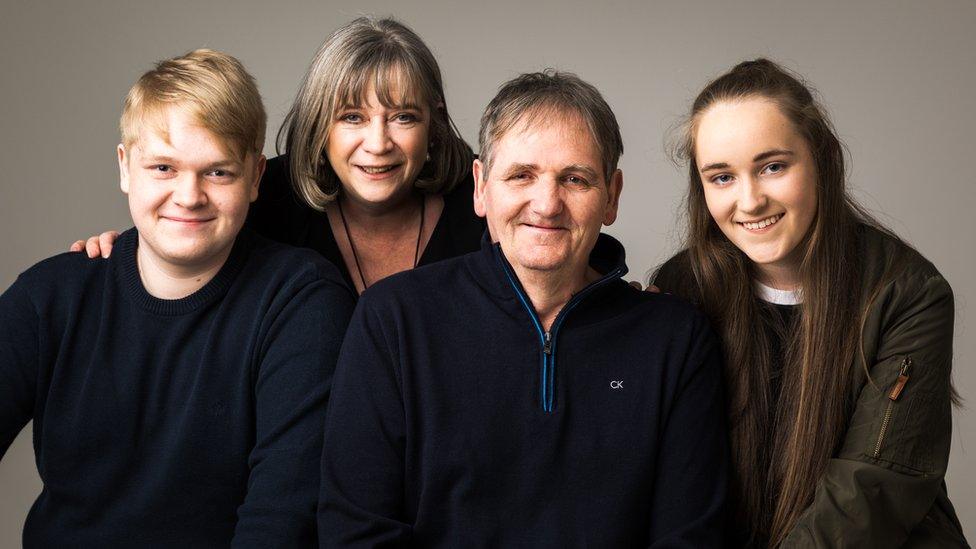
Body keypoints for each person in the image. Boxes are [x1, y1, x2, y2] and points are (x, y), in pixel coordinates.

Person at [319, 71, 728, 547]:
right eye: (521, 175)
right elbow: (355, 530)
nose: (547, 204)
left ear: (611, 196)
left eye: (575, 179)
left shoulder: (675, 340)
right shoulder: (393, 320)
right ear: (481, 187)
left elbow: (691, 538)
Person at [0, 49, 354, 546]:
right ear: (126, 168)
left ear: (255, 178)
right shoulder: (50, 297)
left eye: (218, 172)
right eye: (163, 168)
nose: (189, 196)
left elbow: (282, 519)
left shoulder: (302, 303)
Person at [652, 59, 967, 548]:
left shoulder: (907, 293)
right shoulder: (682, 288)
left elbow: (872, 490)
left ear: (821, 158)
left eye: (773, 167)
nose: (750, 201)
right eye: (722, 177)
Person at [72, 17, 484, 296]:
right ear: (320, 125)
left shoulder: (483, 201)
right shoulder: (267, 195)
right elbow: (189, 223)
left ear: (434, 123)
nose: (378, 143)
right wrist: (131, 248)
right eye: (352, 117)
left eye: (404, 117)